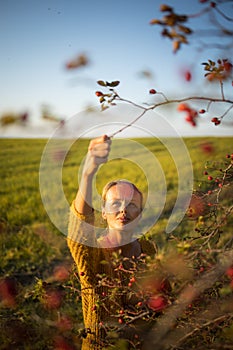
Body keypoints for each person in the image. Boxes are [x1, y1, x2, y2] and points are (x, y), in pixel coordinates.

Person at [67, 135, 157, 350]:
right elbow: (80, 228)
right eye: (115, 203)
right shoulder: (93, 253)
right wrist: (88, 174)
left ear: (141, 214)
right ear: (104, 212)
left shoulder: (148, 249)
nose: (123, 210)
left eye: (132, 204)